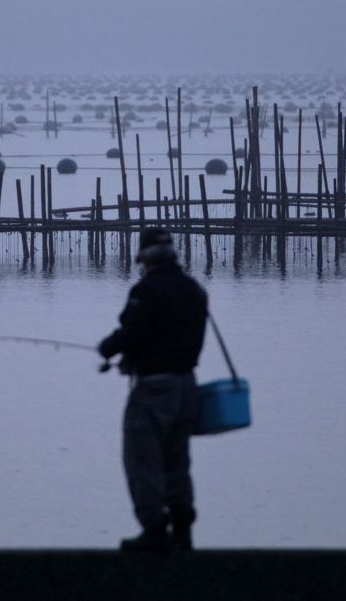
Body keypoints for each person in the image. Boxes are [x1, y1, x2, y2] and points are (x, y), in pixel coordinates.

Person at [98, 227, 208, 552]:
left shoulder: (146, 291)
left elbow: (131, 333)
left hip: (153, 390)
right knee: (177, 460)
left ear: (145, 259)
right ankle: (183, 529)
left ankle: (154, 529)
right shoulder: (194, 290)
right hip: (187, 387)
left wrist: (108, 348)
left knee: (142, 460)